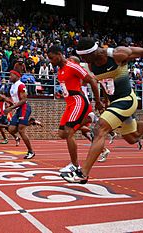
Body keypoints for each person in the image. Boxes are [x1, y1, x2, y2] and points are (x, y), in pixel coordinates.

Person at [61, 37, 143, 183]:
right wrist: (104, 100)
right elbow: (104, 82)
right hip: (114, 103)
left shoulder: (118, 54)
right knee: (133, 137)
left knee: (99, 129)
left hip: (127, 100)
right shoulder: (92, 65)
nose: (84, 60)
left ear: (93, 52)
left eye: (84, 57)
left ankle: (83, 173)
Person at [47, 46, 103, 174]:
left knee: (68, 132)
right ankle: (89, 118)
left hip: (78, 100)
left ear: (59, 54)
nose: (50, 61)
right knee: (62, 133)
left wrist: (98, 101)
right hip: (70, 104)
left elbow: (92, 81)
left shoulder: (72, 66)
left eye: (51, 58)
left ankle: (75, 165)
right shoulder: (59, 70)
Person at [3, 70, 35, 159]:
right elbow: (15, 100)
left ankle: (31, 151)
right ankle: (28, 122)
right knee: (11, 129)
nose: (9, 77)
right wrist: (10, 105)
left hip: (24, 107)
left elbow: (24, 100)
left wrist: (11, 108)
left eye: (11, 75)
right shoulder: (13, 86)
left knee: (21, 130)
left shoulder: (20, 85)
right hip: (18, 109)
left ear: (17, 76)